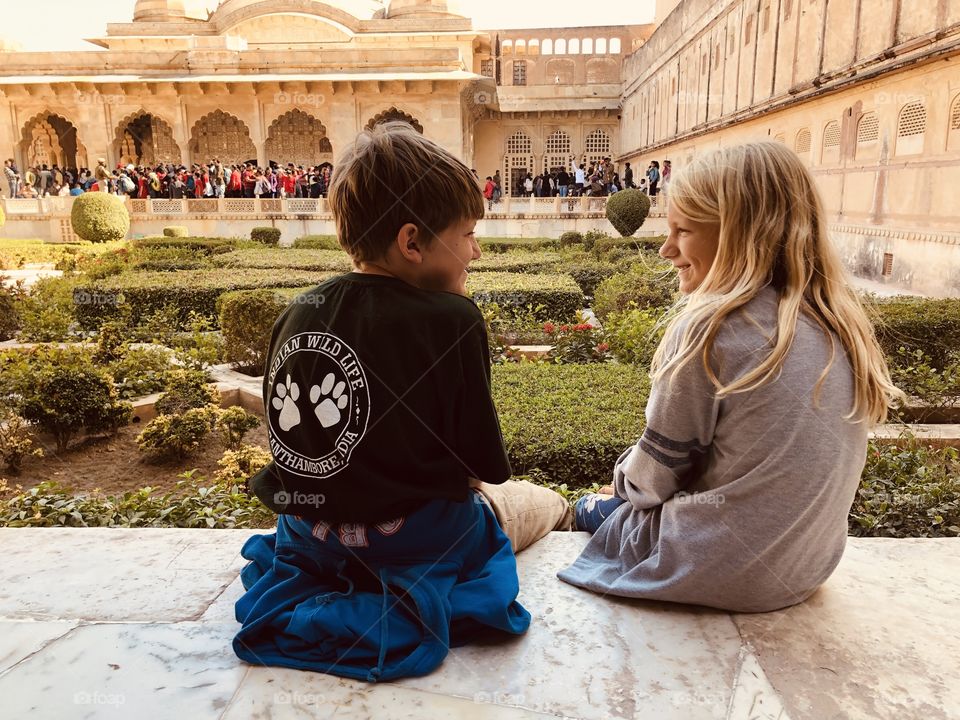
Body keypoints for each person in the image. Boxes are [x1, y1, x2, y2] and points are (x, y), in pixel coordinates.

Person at [234, 121, 569, 682]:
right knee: (538, 504)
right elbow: (483, 467)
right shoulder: (452, 320)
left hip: (309, 540)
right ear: (411, 242)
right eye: (466, 235)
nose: (476, 252)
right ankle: (577, 509)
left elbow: (295, 456)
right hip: (413, 544)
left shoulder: (298, 310)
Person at [558, 141, 902, 613]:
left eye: (684, 231)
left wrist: (620, 485)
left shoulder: (710, 327)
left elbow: (653, 482)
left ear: (741, 235)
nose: (666, 249)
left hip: (718, 567)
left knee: (600, 505)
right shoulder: (834, 323)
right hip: (805, 568)